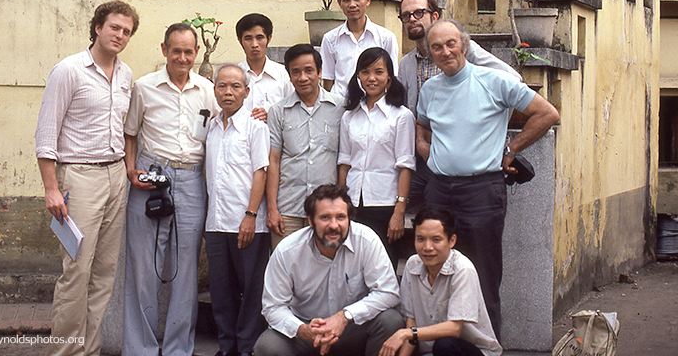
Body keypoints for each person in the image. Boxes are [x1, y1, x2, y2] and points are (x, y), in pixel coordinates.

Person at [416, 19, 560, 338]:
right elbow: (422, 127)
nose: (445, 51)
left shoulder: (494, 81)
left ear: (464, 45)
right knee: (437, 272)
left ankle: (487, 346)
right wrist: (429, 152)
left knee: (483, 275)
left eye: (451, 43)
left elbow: (547, 113)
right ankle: (440, 344)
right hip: (438, 190)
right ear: (430, 52)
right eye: (437, 46)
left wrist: (510, 150)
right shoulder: (430, 88)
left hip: (481, 191)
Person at [35, 0, 139, 356]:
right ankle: (64, 352)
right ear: (97, 27)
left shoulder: (126, 75)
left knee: (104, 273)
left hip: (115, 177)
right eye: (114, 28)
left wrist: (127, 169)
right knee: (76, 273)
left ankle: (89, 350)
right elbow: (47, 133)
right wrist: (52, 189)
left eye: (126, 31)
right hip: (78, 178)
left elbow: (128, 132)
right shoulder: (69, 70)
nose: (120, 36)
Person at [122, 23, 219, 356]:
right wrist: (131, 170)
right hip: (151, 178)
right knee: (143, 268)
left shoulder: (208, 90)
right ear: (164, 50)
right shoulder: (144, 88)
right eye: (176, 50)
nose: (182, 57)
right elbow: (130, 134)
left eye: (188, 51)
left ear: (196, 54)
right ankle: (140, 349)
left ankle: (179, 349)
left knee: (186, 270)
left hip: (192, 180)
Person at [396, 0, 520, 209]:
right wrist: (421, 146)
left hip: (466, 159)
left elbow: (512, 80)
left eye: (418, 13)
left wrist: (494, 136)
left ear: (434, 16)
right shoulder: (406, 64)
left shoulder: (463, 52)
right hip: (426, 160)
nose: (412, 19)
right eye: (406, 16)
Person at [254, 184, 405, 356]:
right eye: (325, 217)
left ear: (349, 218)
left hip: (352, 329)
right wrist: (303, 330)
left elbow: (389, 292)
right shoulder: (287, 251)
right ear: (310, 220)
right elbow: (272, 307)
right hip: (308, 333)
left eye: (340, 217)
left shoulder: (366, 240)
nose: (334, 225)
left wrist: (344, 317)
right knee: (267, 346)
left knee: (391, 321)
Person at [206, 64, 271, 356]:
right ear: (215, 89)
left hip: (248, 224)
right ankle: (227, 346)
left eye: (235, 87)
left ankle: (246, 347)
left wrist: (251, 215)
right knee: (221, 292)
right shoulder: (210, 127)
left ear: (246, 92)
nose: (228, 92)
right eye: (222, 86)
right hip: (216, 223)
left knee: (251, 292)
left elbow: (261, 172)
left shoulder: (256, 127)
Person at [379, 207, 502, 356]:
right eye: (420, 239)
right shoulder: (412, 265)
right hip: (428, 352)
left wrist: (406, 334)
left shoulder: (462, 269)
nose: (427, 247)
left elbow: (454, 329)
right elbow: (411, 322)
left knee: (445, 345)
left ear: (451, 241)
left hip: (469, 350)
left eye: (436, 240)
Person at [338, 47, 415, 266]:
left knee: (382, 266)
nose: (372, 78)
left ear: (389, 78)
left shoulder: (401, 116)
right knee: (351, 264)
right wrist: (341, 201)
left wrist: (399, 212)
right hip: (352, 203)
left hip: (384, 204)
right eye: (365, 72)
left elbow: (406, 166)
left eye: (379, 72)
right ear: (358, 77)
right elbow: (344, 162)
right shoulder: (349, 116)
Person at [266, 44, 345, 248]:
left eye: (309, 70)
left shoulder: (340, 108)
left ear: (320, 72)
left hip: (327, 210)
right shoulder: (278, 111)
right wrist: (273, 209)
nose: (303, 78)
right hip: (288, 209)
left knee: (325, 266)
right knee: (286, 268)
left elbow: (344, 159)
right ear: (289, 75)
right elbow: (273, 161)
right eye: (296, 72)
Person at [320, 0, 399, 97]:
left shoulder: (386, 38)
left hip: (374, 107)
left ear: (368, 0)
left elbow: (391, 77)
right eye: (346, 0)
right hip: (341, 107)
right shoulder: (330, 39)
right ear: (339, 3)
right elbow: (328, 80)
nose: (352, 5)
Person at [236, 13, 293, 122]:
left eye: (260, 37)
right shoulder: (234, 75)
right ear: (240, 41)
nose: (254, 44)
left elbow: (293, 112)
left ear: (269, 38)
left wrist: (271, 117)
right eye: (248, 38)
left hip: (275, 137)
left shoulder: (283, 74)